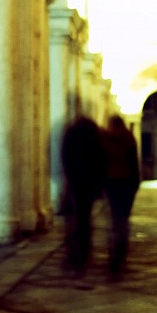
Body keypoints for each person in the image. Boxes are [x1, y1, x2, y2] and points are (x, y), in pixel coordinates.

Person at [59, 105, 104, 271]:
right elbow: (100, 157)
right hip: (89, 182)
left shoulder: (71, 133)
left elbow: (65, 155)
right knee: (84, 217)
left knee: (72, 218)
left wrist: (69, 175)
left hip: (75, 181)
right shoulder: (94, 134)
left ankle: (72, 254)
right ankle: (84, 251)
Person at [99, 112, 141, 278]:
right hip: (126, 183)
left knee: (115, 220)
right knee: (123, 219)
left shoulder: (105, 139)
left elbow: (100, 162)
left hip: (111, 184)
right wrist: (136, 184)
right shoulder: (128, 138)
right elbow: (133, 163)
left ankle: (114, 256)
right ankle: (121, 252)